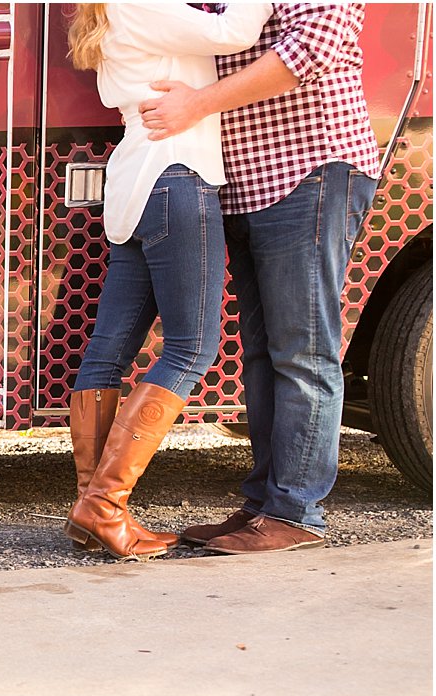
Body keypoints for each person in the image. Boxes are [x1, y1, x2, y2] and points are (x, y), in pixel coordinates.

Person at [139, 5, 380, 554]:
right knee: (264, 353)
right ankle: (264, 505)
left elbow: (311, 48)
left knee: (302, 351)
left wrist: (195, 105)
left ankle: (296, 512)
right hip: (247, 182)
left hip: (310, 166)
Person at [63, 2, 272, 561]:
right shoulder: (142, 3)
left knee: (109, 349)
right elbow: (235, 31)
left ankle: (93, 508)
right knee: (193, 346)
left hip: (139, 178)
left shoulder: (109, 11)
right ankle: (104, 506)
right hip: (177, 174)